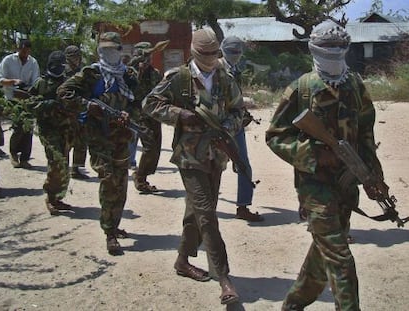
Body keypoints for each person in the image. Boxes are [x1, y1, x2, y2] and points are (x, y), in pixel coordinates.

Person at [265, 20, 385, 310]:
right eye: (326, 50)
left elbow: (367, 133)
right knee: (340, 259)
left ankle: (292, 305)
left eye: (338, 49)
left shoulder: (355, 85)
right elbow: (275, 136)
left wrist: (374, 176)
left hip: (347, 185)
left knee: (323, 258)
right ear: (313, 50)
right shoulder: (301, 89)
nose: (333, 56)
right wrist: (317, 155)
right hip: (315, 188)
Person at [143, 28, 243, 305]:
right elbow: (149, 104)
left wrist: (226, 127)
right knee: (208, 214)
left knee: (196, 213)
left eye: (214, 53)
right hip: (189, 157)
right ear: (194, 52)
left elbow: (238, 111)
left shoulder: (225, 78)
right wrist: (180, 115)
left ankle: (182, 260)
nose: (211, 59)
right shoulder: (179, 78)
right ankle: (224, 278)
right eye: (205, 54)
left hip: (216, 156)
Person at [57, 32, 137, 255]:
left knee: (121, 182)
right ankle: (109, 232)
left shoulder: (128, 75)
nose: (109, 54)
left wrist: (128, 115)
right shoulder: (91, 74)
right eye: (105, 50)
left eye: (113, 50)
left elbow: (139, 102)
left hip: (121, 136)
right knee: (109, 179)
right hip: (98, 136)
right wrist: (86, 105)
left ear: (120, 51)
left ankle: (114, 223)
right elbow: (63, 92)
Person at [219, 36, 263, 222]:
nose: (236, 55)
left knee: (243, 164)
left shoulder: (235, 69)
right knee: (213, 166)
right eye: (232, 52)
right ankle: (205, 208)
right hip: (218, 127)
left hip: (236, 124)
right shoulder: (215, 68)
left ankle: (243, 206)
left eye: (238, 52)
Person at [27, 51, 75, 215]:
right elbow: (29, 103)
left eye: (61, 65)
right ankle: (50, 196)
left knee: (63, 163)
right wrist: (46, 105)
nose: (58, 68)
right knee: (55, 162)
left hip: (65, 129)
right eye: (56, 65)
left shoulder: (68, 82)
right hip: (48, 129)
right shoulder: (41, 83)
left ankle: (57, 198)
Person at [130, 41, 167, 193]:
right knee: (150, 146)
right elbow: (132, 91)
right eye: (144, 56)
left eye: (149, 56)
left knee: (155, 147)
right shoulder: (130, 73)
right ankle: (140, 177)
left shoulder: (155, 73)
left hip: (154, 114)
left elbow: (162, 91)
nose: (147, 60)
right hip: (139, 115)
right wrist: (139, 72)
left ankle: (143, 176)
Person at [0, 39, 40, 169]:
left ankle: (25, 158)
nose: (25, 53)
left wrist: (29, 91)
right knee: (18, 126)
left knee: (28, 128)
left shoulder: (33, 62)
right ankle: (14, 153)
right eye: (23, 50)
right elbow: (0, 80)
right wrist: (13, 81)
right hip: (12, 98)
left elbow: (36, 81)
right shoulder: (8, 60)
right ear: (18, 49)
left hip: (27, 98)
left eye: (27, 51)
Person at [64, 45, 89, 180]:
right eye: (74, 56)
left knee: (81, 140)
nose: (77, 59)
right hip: (67, 111)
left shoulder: (83, 70)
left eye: (78, 56)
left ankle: (76, 168)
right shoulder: (63, 71)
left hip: (81, 110)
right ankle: (64, 167)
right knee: (67, 141)